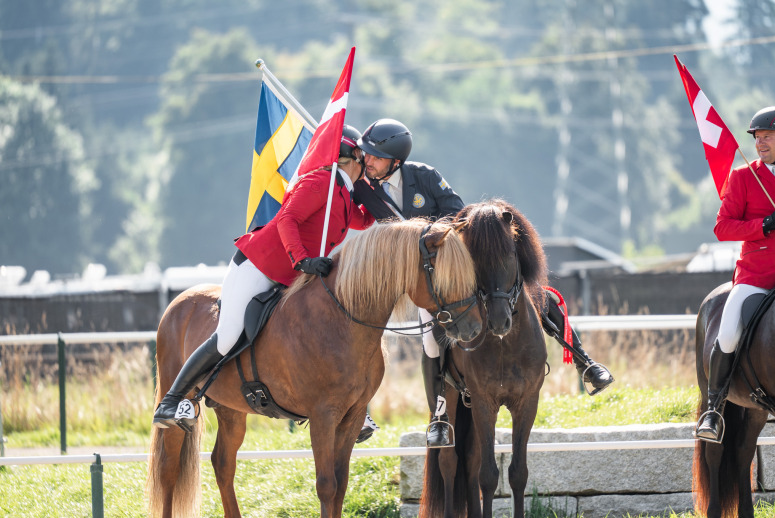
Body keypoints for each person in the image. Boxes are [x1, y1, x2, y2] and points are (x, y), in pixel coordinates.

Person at [352, 118, 612, 448]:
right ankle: (440, 414)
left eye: (374, 156)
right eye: (366, 155)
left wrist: (431, 236)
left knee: (535, 297)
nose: (368, 161)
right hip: (424, 280)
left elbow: (458, 214)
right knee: (432, 341)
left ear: (396, 161)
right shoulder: (361, 186)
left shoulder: (425, 176)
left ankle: (584, 361)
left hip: (455, 261)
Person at [153, 125, 375, 430]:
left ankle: (351, 406)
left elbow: (363, 221)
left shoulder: (344, 193)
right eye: (364, 158)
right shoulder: (321, 182)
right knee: (229, 334)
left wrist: (378, 192)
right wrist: (302, 259)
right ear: (352, 157)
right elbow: (287, 219)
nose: (368, 165)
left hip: (294, 274)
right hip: (260, 265)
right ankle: (172, 401)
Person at [695, 106, 775, 443]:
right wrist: (764, 225)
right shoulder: (744, 177)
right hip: (757, 276)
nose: (760, 143)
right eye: (757, 138)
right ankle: (714, 408)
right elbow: (722, 227)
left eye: (767, 137)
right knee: (727, 334)